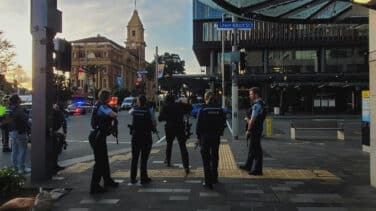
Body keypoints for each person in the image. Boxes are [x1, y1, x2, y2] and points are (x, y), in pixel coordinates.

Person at [89, 89, 119, 194]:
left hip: (98, 135)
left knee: (104, 159)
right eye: (110, 96)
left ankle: (107, 180)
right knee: (100, 161)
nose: (111, 98)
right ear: (106, 97)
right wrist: (114, 110)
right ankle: (94, 186)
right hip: (97, 136)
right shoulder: (102, 106)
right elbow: (113, 115)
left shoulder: (98, 104)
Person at [196, 91, 226, 189]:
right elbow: (223, 123)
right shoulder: (219, 109)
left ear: (207, 98)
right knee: (215, 157)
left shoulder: (203, 109)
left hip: (205, 137)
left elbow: (198, 126)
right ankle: (215, 178)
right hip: (216, 136)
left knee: (206, 159)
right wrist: (220, 132)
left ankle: (208, 182)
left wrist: (198, 137)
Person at [158, 94, 192, 174]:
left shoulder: (165, 107)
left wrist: (167, 117)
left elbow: (160, 118)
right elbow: (190, 107)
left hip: (169, 127)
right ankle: (186, 166)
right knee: (182, 146)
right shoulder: (179, 105)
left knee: (169, 144)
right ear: (174, 99)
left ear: (167, 100)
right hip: (180, 126)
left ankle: (168, 160)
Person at [239, 87, 266, 175]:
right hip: (258, 129)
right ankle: (248, 165)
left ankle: (258, 170)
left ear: (256, 94)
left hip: (254, 130)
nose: (249, 96)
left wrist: (248, 129)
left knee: (257, 150)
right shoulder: (262, 103)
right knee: (252, 148)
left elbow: (253, 120)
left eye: (251, 94)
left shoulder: (257, 105)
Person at [130, 95, 154, 184]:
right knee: (144, 158)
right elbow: (153, 123)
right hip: (146, 136)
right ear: (146, 101)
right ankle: (144, 178)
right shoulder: (149, 110)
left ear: (138, 101)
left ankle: (132, 178)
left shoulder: (134, 109)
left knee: (134, 158)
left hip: (135, 135)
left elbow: (130, 112)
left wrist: (136, 105)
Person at [8, 94, 31, 174]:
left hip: (11, 131)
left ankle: (14, 168)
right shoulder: (19, 109)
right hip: (20, 131)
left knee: (14, 150)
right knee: (22, 150)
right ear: (17, 100)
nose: (20, 99)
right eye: (19, 98)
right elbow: (26, 119)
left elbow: (1, 116)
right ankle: (21, 168)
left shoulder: (7, 108)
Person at [51, 104, 68, 174]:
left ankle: (54, 165)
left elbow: (63, 122)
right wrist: (64, 132)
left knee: (55, 150)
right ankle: (54, 166)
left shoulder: (52, 112)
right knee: (56, 150)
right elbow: (64, 122)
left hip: (53, 132)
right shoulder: (59, 113)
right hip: (54, 132)